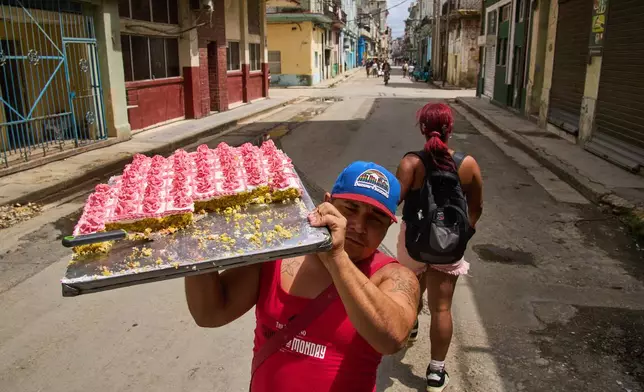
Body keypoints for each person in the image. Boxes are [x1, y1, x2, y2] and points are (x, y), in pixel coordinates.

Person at [185, 161, 420, 392]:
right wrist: (198, 247)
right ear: (328, 203)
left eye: (375, 219)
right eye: (350, 208)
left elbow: (391, 339)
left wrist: (337, 258)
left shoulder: (395, 276)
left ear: (387, 228)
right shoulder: (277, 256)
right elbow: (210, 313)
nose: (359, 225)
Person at [395, 103, 483, 392]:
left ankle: (411, 326)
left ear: (422, 129)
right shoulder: (467, 164)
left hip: (414, 243)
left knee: (411, 291)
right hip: (449, 245)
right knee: (442, 308)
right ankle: (436, 373)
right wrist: (463, 235)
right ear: (450, 129)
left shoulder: (411, 163)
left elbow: (392, 203)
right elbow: (476, 207)